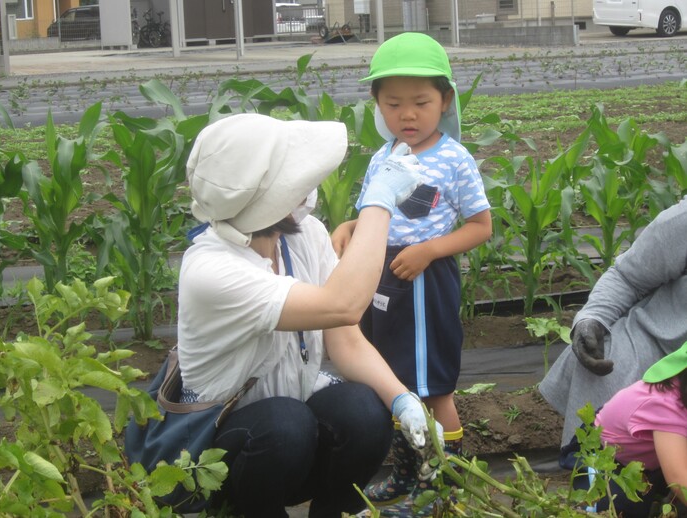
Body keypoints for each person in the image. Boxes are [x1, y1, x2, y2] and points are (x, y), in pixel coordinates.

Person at [177, 113, 443, 518]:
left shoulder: (304, 238)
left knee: (366, 411)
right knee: (285, 424)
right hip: (213, 457)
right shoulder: (211, 271)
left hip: (286, 437)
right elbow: (344, 303)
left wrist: (403, 400)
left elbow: (345, 336)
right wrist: (379, 202)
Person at [331, 32, 492, 515]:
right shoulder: (385, 156)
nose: (407, 115)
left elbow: (481, 227)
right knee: (396, 381)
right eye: (393, 103)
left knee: (432, 386)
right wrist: (349, 225)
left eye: (421, 102)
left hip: (426, 282)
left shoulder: (454, 158)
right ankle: (408, 472)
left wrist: (428, 251)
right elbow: (379, 214)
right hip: (385, 278)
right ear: (377, 105)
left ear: (445, 101)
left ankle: (444, 480)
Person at [539, 195, 687, 448]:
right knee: (606, 469)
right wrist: (592, 318)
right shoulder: (682, 221)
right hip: (659, 348)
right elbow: (628, 277)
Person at [573, 340, 687, 517]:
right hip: (607, 458)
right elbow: (679, 479)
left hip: (653, 458)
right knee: (611, 508)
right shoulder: (666, 406)